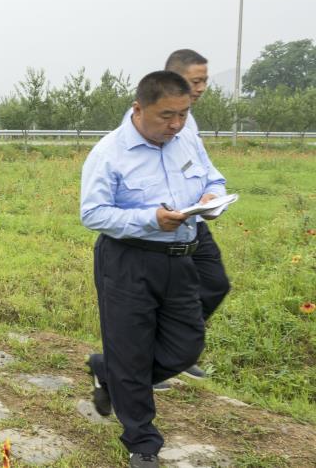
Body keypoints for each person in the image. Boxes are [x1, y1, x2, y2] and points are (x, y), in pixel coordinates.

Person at [81, 70, 227, 468]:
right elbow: (92, 213)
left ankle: (108, 370)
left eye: (183, 114)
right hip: (128, 260)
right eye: (166, 115)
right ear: (139, 108)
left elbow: (213, 177)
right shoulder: (109, 153)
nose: (176, 124)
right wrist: (150, 219)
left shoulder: (186, 140)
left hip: (181, 258)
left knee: (186, 345)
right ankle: (142, 441)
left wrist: (212, 196)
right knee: (131, 351)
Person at [122, 49, 230, 388]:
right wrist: (153, 217)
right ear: (173, 79)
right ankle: (145, 365)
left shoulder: (188, 121)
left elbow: (206, 169)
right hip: (161, 225)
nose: (201, 88)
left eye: (204, 81)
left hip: (192, 220)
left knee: (214, 283)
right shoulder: (146, 118)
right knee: (154, 301)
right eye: (195, 81)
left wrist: (211, 194)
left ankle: (168, 353)